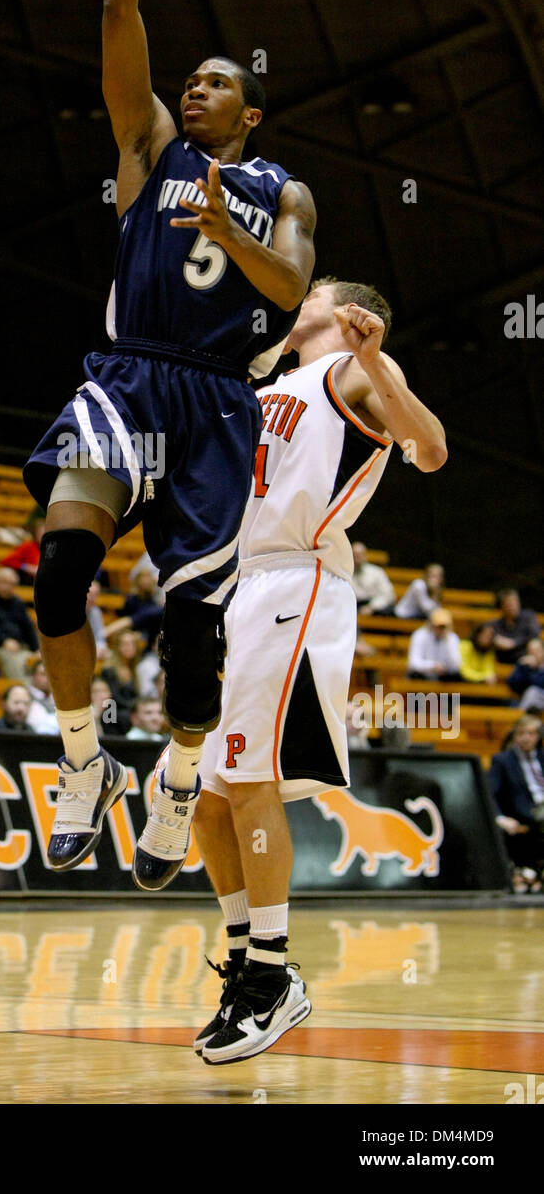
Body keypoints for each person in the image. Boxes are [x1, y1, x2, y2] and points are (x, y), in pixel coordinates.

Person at [22, 0, 316, 885]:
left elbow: (288, 293)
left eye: (213, 83)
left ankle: (179, 772)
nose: (192, 89)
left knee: (192, 640)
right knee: (60, 565)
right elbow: (115, 10)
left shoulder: (279, 189)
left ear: (250, 110)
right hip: (127, 376)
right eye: (187, 79)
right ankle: (82, 760)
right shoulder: (146, 147)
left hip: (218, 408)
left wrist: (227, 231)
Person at [189, 278, 446, 1063]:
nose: (294, 294)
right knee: (208, 804)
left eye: (314, 290)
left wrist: (377, 356)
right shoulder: (270, 384)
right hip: (243, 583)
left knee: (253, 783)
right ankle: (246, 959)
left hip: (297, 581)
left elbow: (430, 449)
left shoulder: (355, 372)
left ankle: (272, 976)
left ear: (345, 312)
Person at [489, 715, 544, 887]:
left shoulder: (542, 758)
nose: (526, 738)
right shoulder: (503, 760)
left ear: (538, 736)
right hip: (525, 812)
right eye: (521, 733)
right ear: (515, 736)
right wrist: (500, 818)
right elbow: (490, 793)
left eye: (530, 733)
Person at [407, 608, 461, 680]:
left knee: (456, 676)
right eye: (438, 626)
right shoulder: (420, 635)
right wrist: (432, 666)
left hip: (442, 675)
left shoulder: (452, 638)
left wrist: (447, 641)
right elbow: (413, 663)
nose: (440, 629)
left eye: (443, 627)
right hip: (423, 675)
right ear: (431, 624)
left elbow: (456, 665)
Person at [488, 588, 540, 664]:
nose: (512, 607)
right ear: (501, 606)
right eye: (508, 604)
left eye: (514, 603)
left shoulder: (528, 617)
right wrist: (495, 640)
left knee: (535, 644)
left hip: (525, 656)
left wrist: (514, 643)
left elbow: (534, 635)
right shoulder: (496, 623)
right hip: (504, 657)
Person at [350, 541, 395, 615]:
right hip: (351, 607)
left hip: (373, 607)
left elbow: (388, 595)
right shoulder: (344, 573)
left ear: (365, 556)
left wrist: (372, 607)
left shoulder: (377, 572)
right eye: (354, 555)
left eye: (360, 555)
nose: (357, 558)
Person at [0, 515, 45, 586]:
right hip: (28, 581)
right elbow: (7, 561)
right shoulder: (27, 547)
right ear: (35, 534)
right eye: (40, 533)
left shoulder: (53, 549)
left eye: (45, 533)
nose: (42, 536)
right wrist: (26, 567)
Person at [508, 638, 544, 712]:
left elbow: (541, 684)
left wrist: (534, 671)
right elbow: (513, 684)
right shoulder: (524, 665)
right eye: (530, 651)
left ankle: (520, 718)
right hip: (525, 699)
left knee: (533, 691)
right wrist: (525, 668)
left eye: (536, 651)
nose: (533, 654)